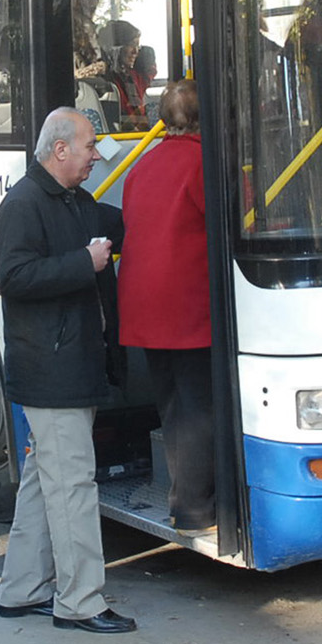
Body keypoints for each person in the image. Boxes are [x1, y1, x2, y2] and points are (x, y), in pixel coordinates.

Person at [0, 107, 134, 634]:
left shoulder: (76, 200)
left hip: (68, 362)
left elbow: (123, 224)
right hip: (51, 368)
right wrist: (84, 263)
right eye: (90, 146)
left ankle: (22, 589)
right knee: (73, 483)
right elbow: (13, 276)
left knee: (43, 478)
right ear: (59, 150)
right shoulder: (23, 205)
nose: (97, 155)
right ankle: (80, 602)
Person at [116, 81, 215, 534]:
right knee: (200, 407)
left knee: (173, 406)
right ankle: (195, 509)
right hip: (188, 308)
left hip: (143, 308)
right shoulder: (205, 164)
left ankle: (182, 499)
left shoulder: (143, 165)